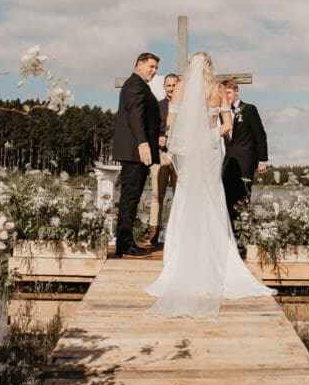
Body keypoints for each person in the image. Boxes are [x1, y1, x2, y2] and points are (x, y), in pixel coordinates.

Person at [144, 52, 275, 318]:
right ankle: (216, 261)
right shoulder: (217, 89)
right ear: (210, 67)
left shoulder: (180, 88)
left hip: (192, 153)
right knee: (211, 200)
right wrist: (208, 134)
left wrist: (191, 136)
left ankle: (182, 264)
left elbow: (170, 124)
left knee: (186, 201)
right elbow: (227, 125)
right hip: (211, 151)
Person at [111, 52, 160, 258]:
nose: (153, 71)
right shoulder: (135, 85)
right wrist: (142, 142)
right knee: (130, 198)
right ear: (139, 64)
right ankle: (125, 244)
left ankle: (125, 242)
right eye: (150, 67)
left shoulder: (139, 85)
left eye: (156, 68)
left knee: (131, 197)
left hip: (137, 150)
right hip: (135, 151)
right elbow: (135, 115)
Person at [221, 80, 269, 236]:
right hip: (227, 161)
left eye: (228, 92)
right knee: (226, 196)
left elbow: (260, 135)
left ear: (236, 91)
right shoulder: (221, 112)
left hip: (245, 161)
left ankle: (244, 232)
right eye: (224, 93)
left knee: (243, 196)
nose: (226, 96)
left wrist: (262, 160)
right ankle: (230, 232)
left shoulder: (248, 109)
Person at [141, 73, 179, 250]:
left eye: (174, 85)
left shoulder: (186, 108)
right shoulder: (157, 106)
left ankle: (179, 233)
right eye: (168, 85)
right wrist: (157, 139)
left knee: (180, 196)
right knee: (157, 194)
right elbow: (148, 130)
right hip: (161, 154)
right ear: (164, 87)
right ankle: (153, 231)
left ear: (179, 87)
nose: (171, 89)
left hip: (180, 156)